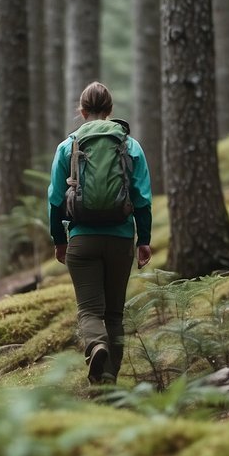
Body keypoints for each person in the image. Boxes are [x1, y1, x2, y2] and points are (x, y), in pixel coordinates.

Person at [48, 82, 153, 385]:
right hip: (121, 239)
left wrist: (59, 239)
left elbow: (56, 198)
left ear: (81, 111)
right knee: (115, 314)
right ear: (110, 110)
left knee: (89, 310)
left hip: (82, 238)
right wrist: (143, 239)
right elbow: (142, 197)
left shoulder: (68, 145)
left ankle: (96, 346)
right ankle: (109, 385)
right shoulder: (129, 145)